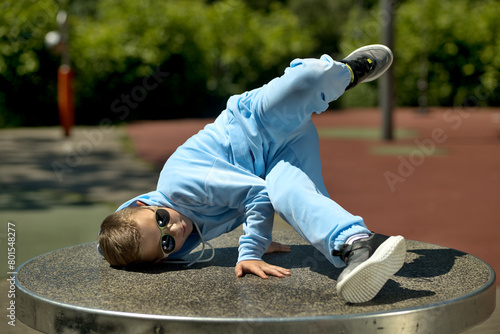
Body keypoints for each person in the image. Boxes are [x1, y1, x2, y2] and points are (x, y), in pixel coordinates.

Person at [98, 45, 406, 303]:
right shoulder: (190, 235)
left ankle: (348, 71)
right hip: (278, 159)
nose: (175, 230)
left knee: (306, 79)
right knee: (290, 195)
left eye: (161, 220)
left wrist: (252, 248)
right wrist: (261, 235)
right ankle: (358, 244)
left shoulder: (178, 184)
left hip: (257, 121)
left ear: (144, 205)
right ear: (162, 260)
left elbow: (253, 194)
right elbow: (255, 195)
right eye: (166, 244)